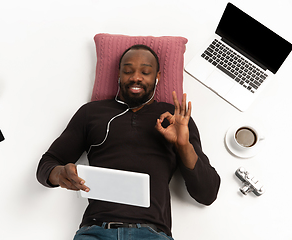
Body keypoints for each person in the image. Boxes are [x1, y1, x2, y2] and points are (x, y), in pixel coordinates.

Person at [36, 44, 221, 240]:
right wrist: (59, 174)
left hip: (152, 234)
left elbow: (207, 194)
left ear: (157, 76)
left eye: (146, 72)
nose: (136, 77)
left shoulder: (175, 119)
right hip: (96, 231)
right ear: (119, 74)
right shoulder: (91, 113)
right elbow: (46, 164)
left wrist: (183, 145)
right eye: (127, 71)